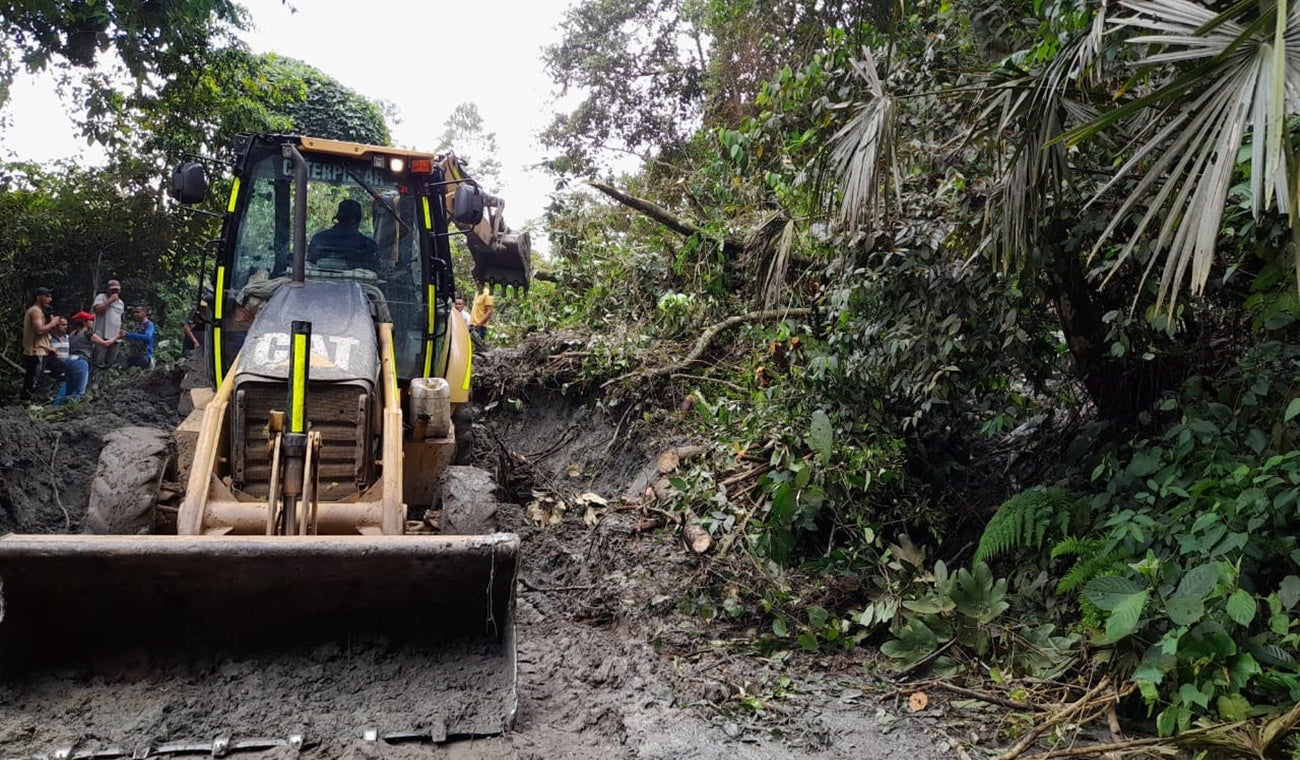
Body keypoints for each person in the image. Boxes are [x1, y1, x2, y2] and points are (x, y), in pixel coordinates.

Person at [54, 311, 117, 406]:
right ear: (84, 322)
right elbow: (105, 343)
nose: (92, 322)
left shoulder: (71, 334)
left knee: (68, 389)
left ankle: (57, 408)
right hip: (80, 362)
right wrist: (118, 336)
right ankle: (70, 410)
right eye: (90, 320)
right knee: (79, 391)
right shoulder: (88, 334)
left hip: (68, 361)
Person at [20, 287, 67, 402]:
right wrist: (53, 323)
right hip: (35, 352)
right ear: (38, 297)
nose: (49, 299)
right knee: (33, 379)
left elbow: (43, 335)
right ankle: (28, 402)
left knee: (60, 368)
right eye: (47, 296)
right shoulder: (35, 311)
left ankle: (42, 394)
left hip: (43, 350)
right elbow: (39, 330)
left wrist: (49, 347)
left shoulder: (40, 312)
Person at [308, 199, 380, 269]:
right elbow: (375, 271)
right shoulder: (367, 245)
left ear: (338, 217)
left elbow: (309, 265)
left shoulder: (318, 239)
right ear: (359, 219)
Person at [91, 278, 125, 369]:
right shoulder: (101, 297)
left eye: (117, 290)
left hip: (115, 337)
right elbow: (98, 310)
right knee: (98, 361)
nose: (115, 291)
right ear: (107, 289)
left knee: (110, 362)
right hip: (101, 335)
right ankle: (94, 380)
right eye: (113, 289)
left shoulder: (121, 303)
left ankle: (104, 380)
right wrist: (110, 300)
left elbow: (120, 318)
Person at [122, 304, 156, 369]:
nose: (135, 314)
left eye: (138, 312)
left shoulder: (149, 325)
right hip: (134, 354)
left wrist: (128, 335)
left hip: (144, 356)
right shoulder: (137, 325)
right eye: (134, 312)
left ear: (145, 313)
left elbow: (147, 337)